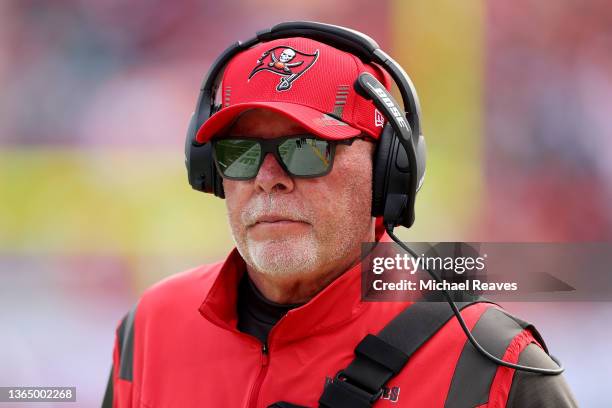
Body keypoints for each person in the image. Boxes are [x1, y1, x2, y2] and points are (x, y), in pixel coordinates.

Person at [102, 22, 577, 407]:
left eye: (306, 149)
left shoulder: (491, 364)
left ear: (388, 169)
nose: (268, 177)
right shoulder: (150, 328)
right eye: (240, 153)